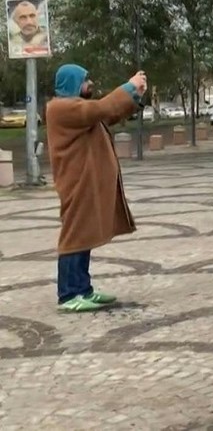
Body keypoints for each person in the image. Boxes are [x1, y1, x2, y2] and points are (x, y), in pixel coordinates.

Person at [45, 65, 146, 312]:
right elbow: (103, 108)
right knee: (74, 236)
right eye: (85, 80)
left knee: (84, 234)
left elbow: (108, 114)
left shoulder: (79, 110)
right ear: (72, 82)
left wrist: (135, 97)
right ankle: (68, 295)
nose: (89, 83)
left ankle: (83, 289)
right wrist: (130, 85)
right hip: (76, 182)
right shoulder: (62, 108)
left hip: (86, 183)